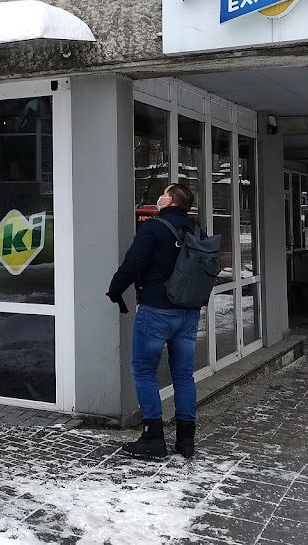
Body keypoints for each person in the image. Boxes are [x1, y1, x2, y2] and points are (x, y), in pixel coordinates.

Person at [107, 183, 202, 459]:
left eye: (164, 193)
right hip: (188, 313)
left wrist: (115, 289)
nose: (160, 197)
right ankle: (186, 440)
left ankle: (153, 438)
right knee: (183, 374)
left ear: (169, 201)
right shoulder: (196, 231)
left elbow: (133, 263)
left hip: (156, 312)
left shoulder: (153, 228)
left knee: (144, 371)